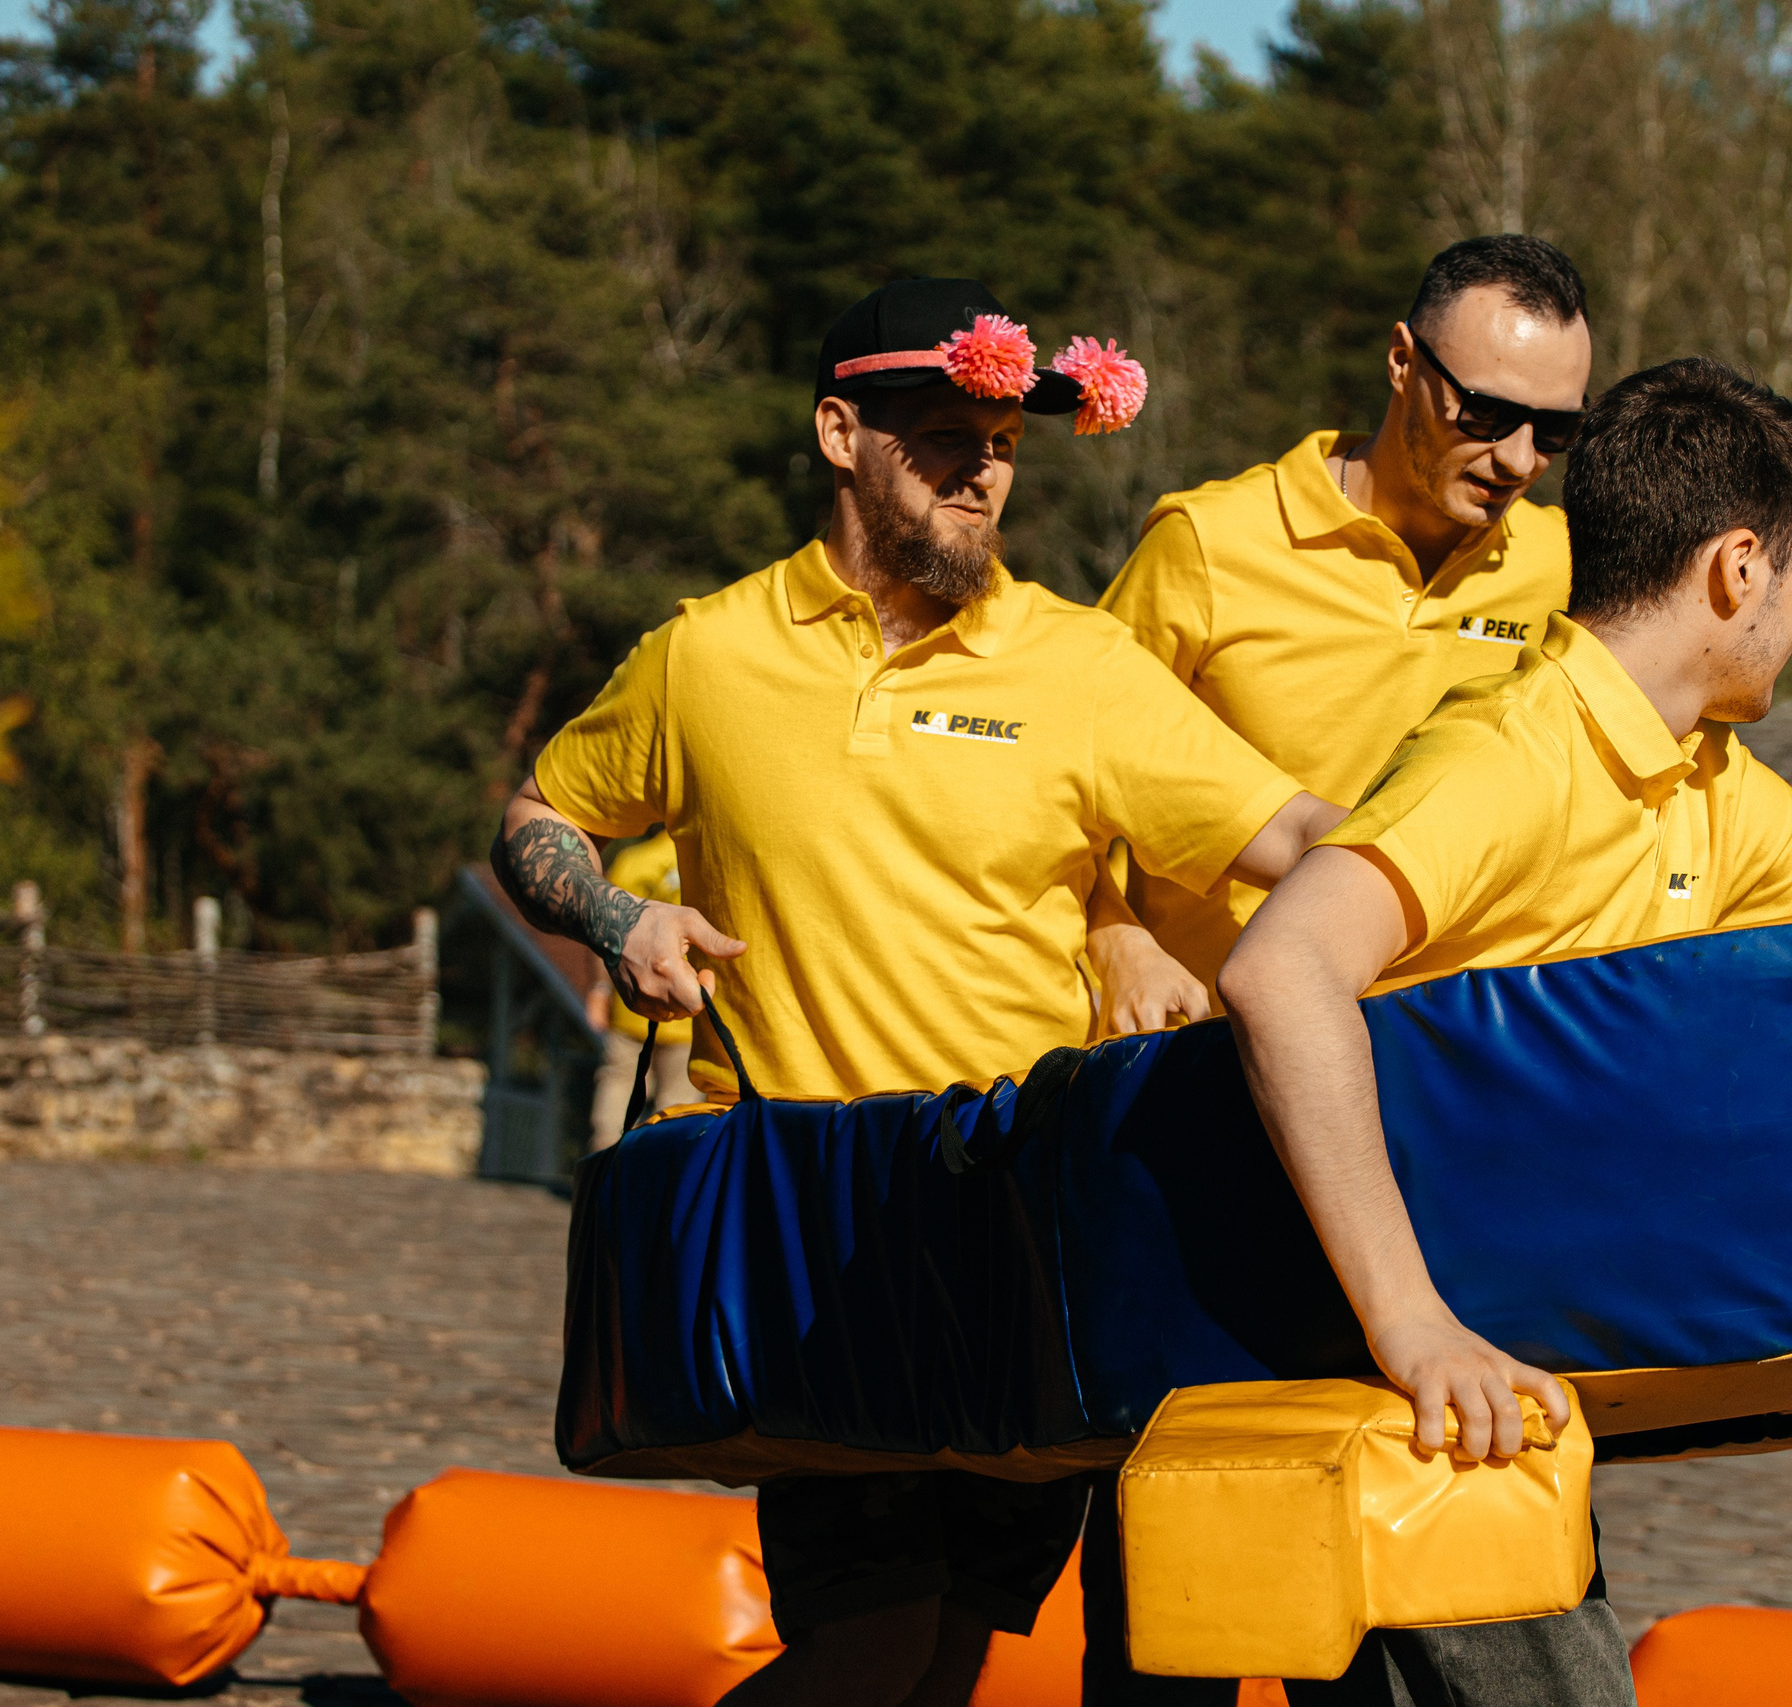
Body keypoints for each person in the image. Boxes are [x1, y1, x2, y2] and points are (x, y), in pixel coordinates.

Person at [491, 276, 1347, 1707]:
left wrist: (1481, 854)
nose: (982, 470)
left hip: (1020, 1235)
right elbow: (539, 815)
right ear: (841, 432)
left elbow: (1300, 838)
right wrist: (614, 910)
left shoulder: (1086, 665)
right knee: (870, 1645)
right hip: (817, 1227)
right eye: (944, 435)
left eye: (1002, 443)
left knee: (949, 1648)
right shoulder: (707, 654)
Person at [1216, 358, 1792, 1707]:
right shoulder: (1512, 751)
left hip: (1504, 1399)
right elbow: (1282, 970)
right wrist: (1412, 1321)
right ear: (1738, 568)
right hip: (1386, 1387)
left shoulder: (1712, 780)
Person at [1096, 234, 1591, 1010]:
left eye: (1555, 430)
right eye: (1488, 412)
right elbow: (1066, 774)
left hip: (1450, 1060)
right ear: (1401, 361)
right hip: (1213, 1058)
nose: (1520, 459)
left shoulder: (1564, 567)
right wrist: (1114, 939)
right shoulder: (1207, 545)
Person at [585, 830, 700, 1149]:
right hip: (688, 1011)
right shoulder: (702, 863)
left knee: (618, 1089)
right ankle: (665, 1187)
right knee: (678, 1107)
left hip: (631, 1002)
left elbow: (603, 931)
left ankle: (604, 1171)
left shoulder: (632, 861)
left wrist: (599, 990)